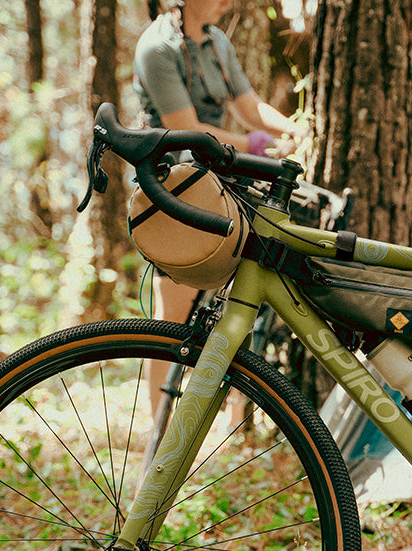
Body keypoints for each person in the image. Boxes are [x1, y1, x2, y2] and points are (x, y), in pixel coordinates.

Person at [133, 0, 302, 417]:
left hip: (219, 182)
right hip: (172, 187)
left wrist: (292, 127)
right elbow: (186, 128)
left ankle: (226, 421)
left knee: (234, 298)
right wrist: (258, 146)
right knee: (173, 311)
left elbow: (248, 107)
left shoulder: (217, 41)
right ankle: (158, 428)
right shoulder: (157, 48)